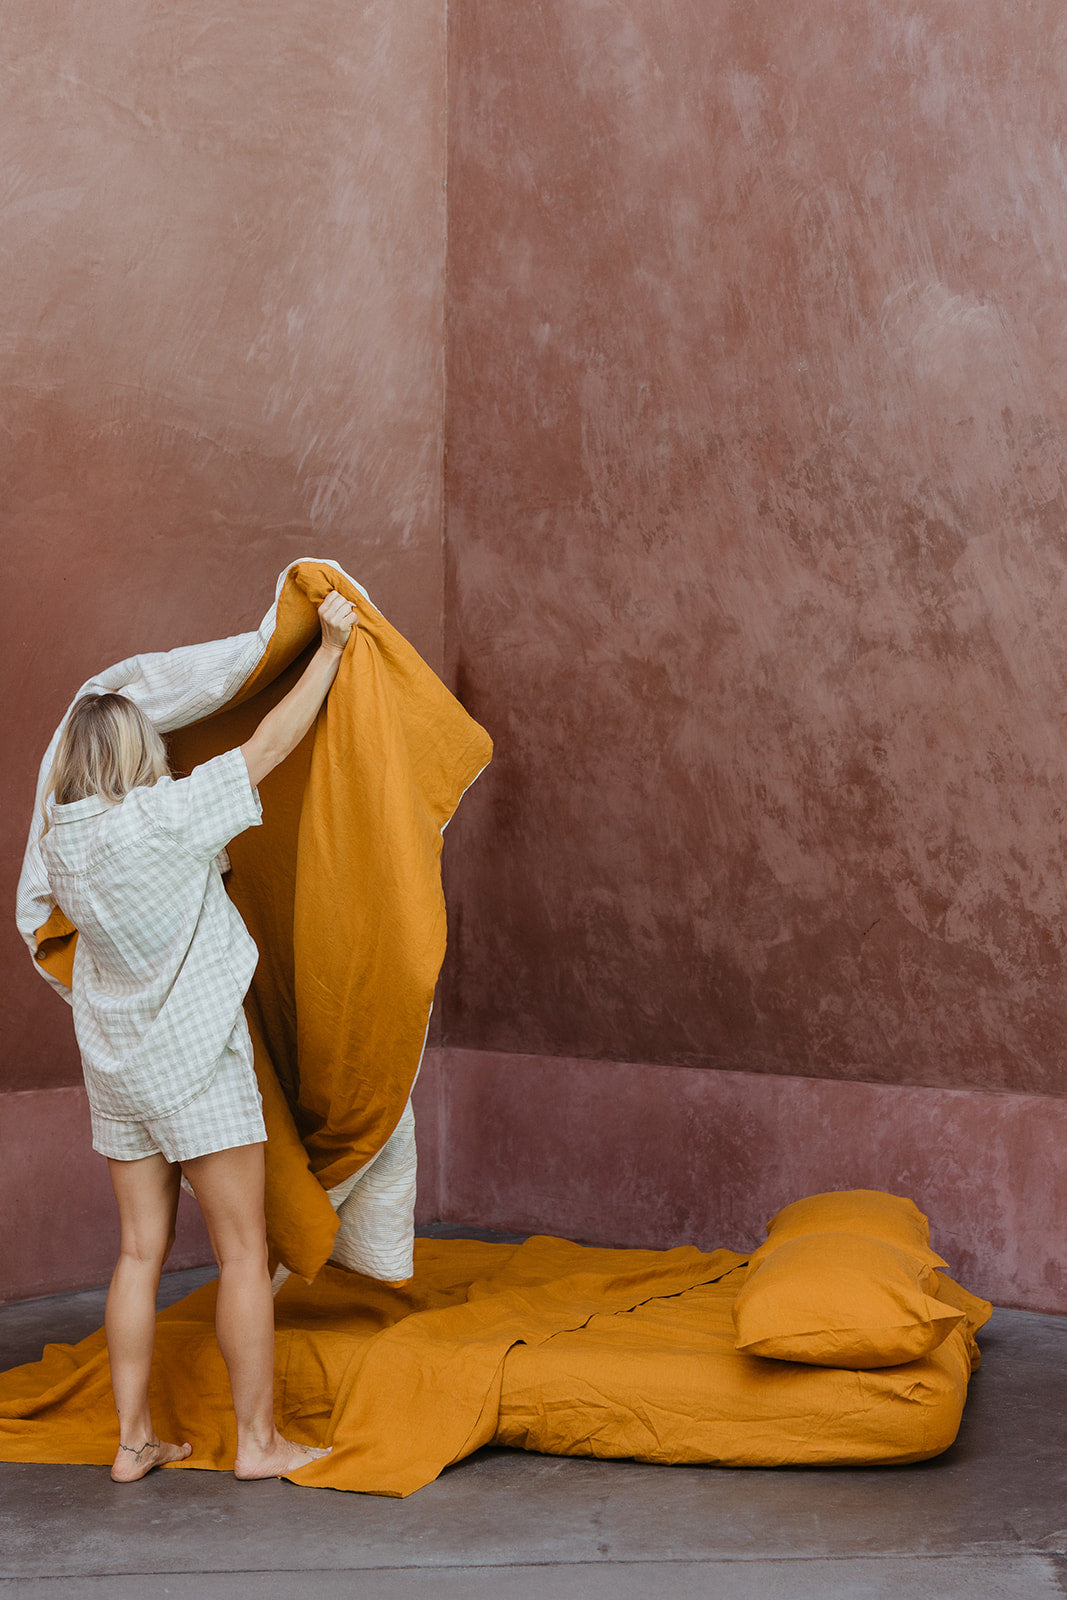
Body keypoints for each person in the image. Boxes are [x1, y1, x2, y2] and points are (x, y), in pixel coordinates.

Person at [37, 589, 358, 1482]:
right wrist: (328, 649)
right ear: (139, 752)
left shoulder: (63, 844)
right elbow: (264, 750)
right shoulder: (162, 818)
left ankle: (132, 1440)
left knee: (139, 1252)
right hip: (195, 1063)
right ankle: (259, 1443)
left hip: (118, 1070)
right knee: (243, 1252)